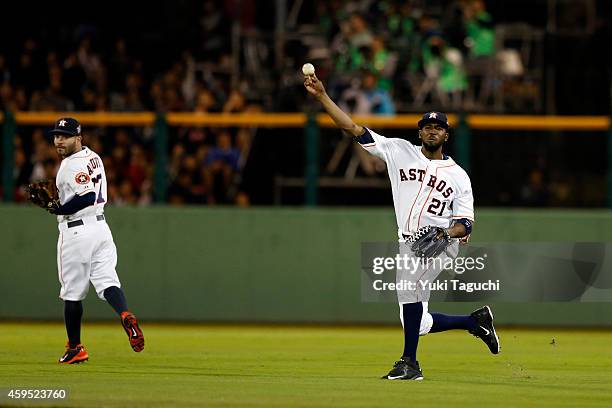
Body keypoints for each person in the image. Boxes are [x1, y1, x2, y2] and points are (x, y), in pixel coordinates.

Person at [303, 73, 499, 380]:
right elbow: (351, 128)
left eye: (439, 127)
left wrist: (445, 233)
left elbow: (466, 223)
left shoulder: (458, 175)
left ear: (446, 135)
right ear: (419, 132)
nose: (433, 131)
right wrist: (322, 97)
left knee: (408, 290)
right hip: (408, 243)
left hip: (439, 245)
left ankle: (410, 363)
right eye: (428, 126)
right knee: (416, 321)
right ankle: (476, 323)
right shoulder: (398, 150)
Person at [48, 117, 144, 364]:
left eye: (65, 136)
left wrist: (57, 209)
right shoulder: (94, 157)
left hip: (77, 232)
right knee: (107, 281)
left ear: (78, 138)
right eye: (57, 135)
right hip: (101, 229)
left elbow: (87, 195)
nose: (59, 140)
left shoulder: (70, 165)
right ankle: (124, 313)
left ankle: (75, 348)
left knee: (72, 294)